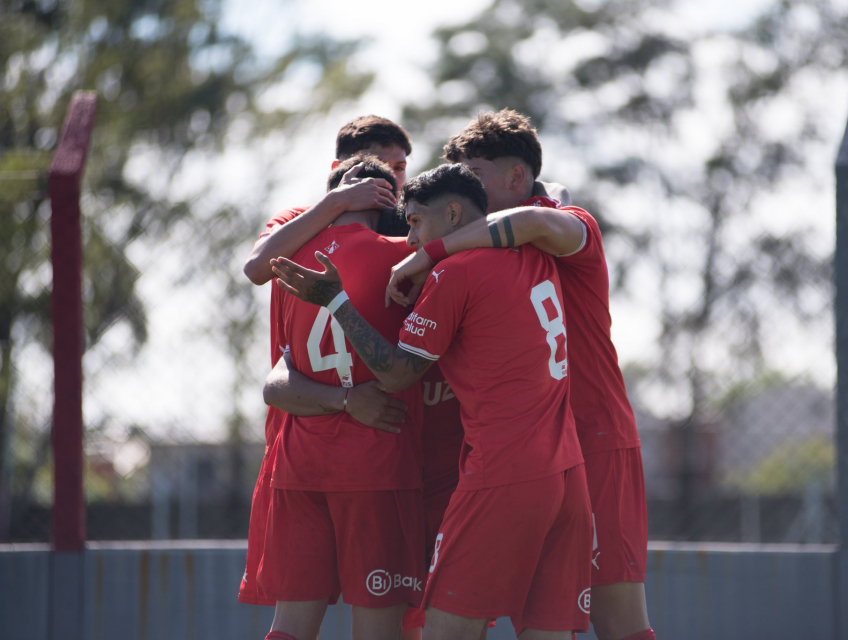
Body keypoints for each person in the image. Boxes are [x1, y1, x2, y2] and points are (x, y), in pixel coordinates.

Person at [271, 164, 591, 640]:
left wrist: (337, 302)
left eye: (417, 222)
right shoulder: (536, 249)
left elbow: (397, 374)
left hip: (502, 474)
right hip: (568, 474)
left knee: (444, 630)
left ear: (455, 212)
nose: (411, 237)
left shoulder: (458, 271)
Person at [386, 109, 656, 640]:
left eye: (478, 174)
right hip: (530, 454)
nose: (469, 189)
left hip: (593, 439)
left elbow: (532, 221)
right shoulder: (484, 249)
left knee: (618, 621)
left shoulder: (563, 223)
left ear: (516, 177)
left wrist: (427, 255)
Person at [238, 115, 417, 612]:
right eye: (387, 169)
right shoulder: (306, 225)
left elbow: (276, 381)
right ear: (344, 173)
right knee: (385, 615)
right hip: (361, 448)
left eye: (403, 167)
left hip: (310, 437)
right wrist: (337, 202)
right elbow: (255, 267)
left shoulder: (395, 236)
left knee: (296, 617)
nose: (397, 180)